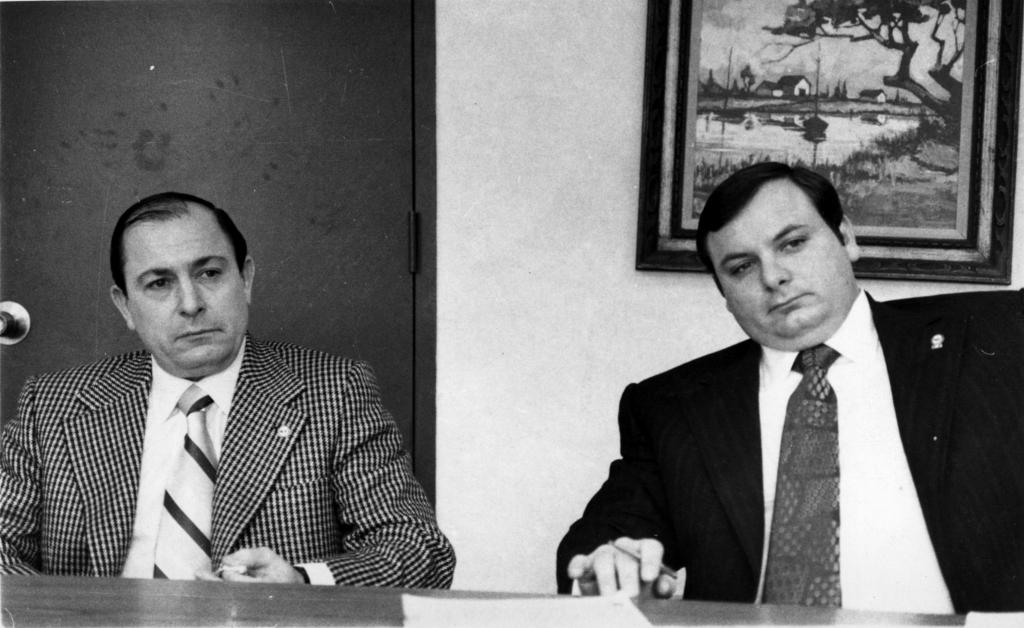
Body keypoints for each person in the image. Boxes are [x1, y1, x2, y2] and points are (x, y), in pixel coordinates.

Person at [557, 162, 1024, 613]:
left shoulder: (1000, 340)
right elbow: (604, 538)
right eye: (741, 267)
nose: (773, 277)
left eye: (793, 243)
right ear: (724, 295)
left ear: (846, 238)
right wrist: (607, 565)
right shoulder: (671, 406)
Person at [0, 192, 455, 587]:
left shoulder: (334, 391)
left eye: (210, 274)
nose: (191, 303)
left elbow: (419, 548)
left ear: (247, 278)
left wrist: (302, 581)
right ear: (125, 305)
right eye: (159, 283)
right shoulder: (54, 404)